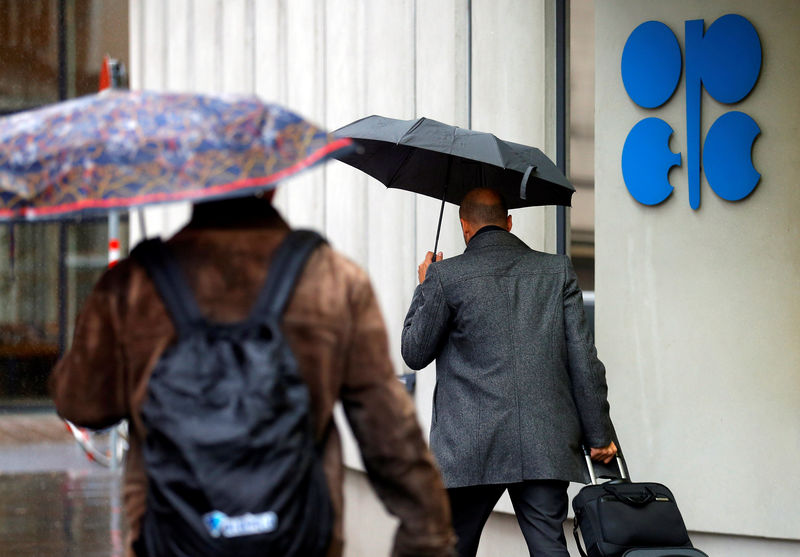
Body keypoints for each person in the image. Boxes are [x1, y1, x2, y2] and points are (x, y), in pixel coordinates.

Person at [50, 192, 457, 557]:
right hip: (300, 536)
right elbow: (388, 431)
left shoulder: (133, 284)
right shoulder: (331, 277)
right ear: (272, 185)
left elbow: (80, 403)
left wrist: (107, 308)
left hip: (168, 535)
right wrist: (426, 537)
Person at [401, 187, 617, 557]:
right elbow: (584, 358)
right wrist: (599, 435)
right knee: (550, 547)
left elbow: (414, 352)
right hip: (543, 441)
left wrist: (425, 286)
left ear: (464, 227)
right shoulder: (556, 270)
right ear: (510, 222)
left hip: (469, 446)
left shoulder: (445, 277)